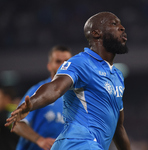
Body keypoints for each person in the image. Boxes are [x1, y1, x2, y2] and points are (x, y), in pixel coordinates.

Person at [5, 12, 131, 150]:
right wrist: (32, 104)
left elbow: (118, 128)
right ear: (96, 33)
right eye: (114, 24)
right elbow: (55, 88)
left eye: (120, 24)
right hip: (79, 143)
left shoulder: (117, 76)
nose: (122, 27)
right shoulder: (82, 62)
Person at [12, 45, 72, 150]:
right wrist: (39, 140)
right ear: (49, 66)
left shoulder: (77, 95)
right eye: (58, 61)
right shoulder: (38, 91)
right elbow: (17, 124)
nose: (63, 65)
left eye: (66, 61)